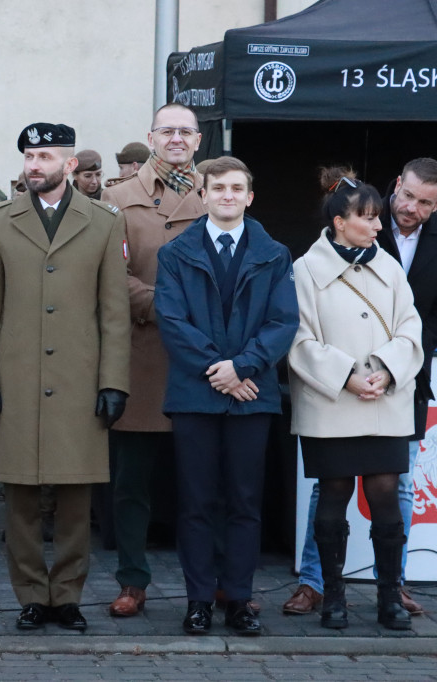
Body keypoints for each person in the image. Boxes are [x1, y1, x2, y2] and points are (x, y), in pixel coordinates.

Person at [284, 160, 437, 618]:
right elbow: (298, 338)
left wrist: (386, 369)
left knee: (388, 492)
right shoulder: (305, 268)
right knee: (333, 493)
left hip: (387, 398)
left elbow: (412, 325)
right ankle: (331, 596)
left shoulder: (390, 265)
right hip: (333, 401)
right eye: (369, 217)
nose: (380, 223)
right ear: (340, 222)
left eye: (377, 216)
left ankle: (389, 597)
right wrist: (346, 376)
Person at [0, 122, 130, 632]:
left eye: (44, 156)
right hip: (15, 378)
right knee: (18, 497)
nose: (34, 165)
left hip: (80, 381)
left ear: (70, 164)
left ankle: (68, 596)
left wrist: (113, 381)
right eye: (28, 156)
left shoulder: (104, 221)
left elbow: (113, 312)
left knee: (76, 497)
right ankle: (31, 596)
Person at [154, 156, 298, 636]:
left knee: (243, 502)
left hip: (251, 397)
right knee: (195, 503)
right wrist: (222, 371)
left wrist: (243, 367)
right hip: (196, 396)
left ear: (250, 196)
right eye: (219, 188)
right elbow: (172, 322)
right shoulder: (175, 253)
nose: (228, 195)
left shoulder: (275, 254)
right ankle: (198, 601)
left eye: (237, 188)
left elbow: (283, 322)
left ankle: (238, 600)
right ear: (204, 193)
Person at [99, 102, 206, 619]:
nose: (177, 139)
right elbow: (107, 277)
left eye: (186, 132)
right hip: (140, 356)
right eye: (168, 131)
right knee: (131, 485)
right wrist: (166, 306)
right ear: (151, 137)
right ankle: (132, 580)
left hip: (202, 360)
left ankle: (207, 585)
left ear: (199, 140)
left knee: (201, 486)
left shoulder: (220, 195)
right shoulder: (115, 199)